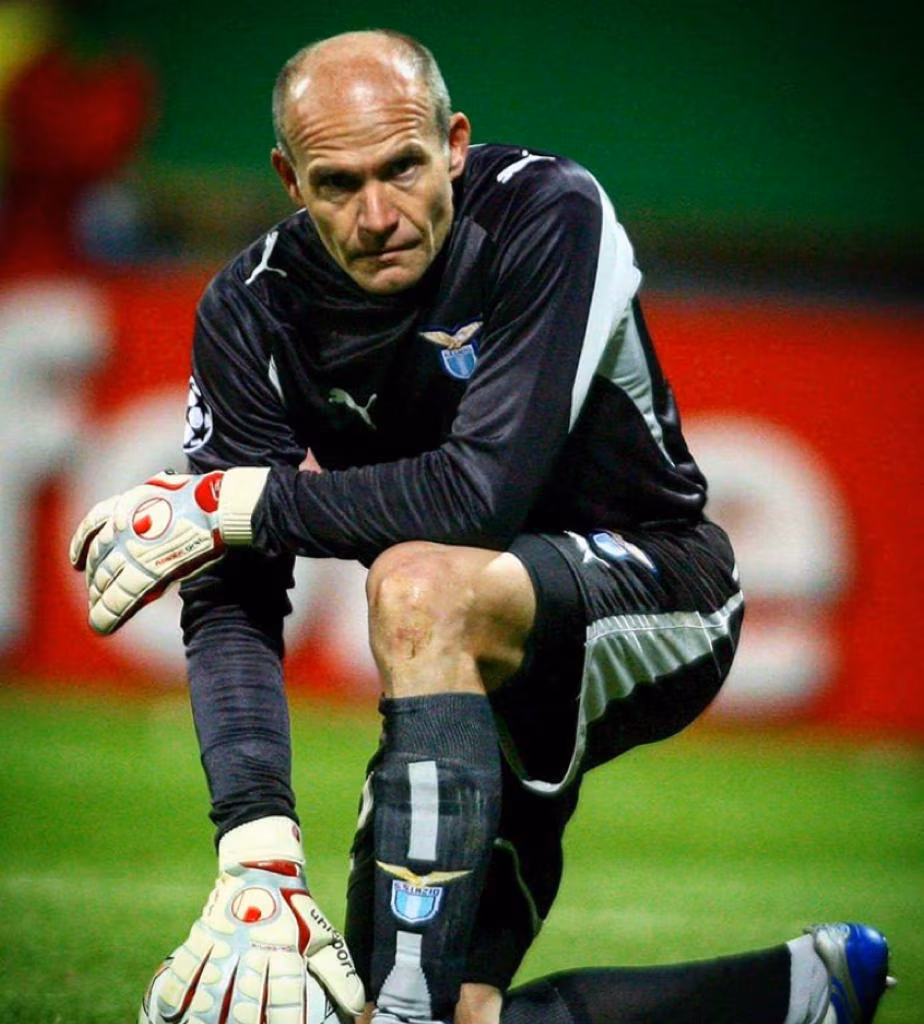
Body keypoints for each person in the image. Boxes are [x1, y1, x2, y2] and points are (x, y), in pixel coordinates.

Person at [69, 30, 894, 1024]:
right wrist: (257, 850)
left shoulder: (547, 211)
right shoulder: (251, 311)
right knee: (427, 1005)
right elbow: (230, 589)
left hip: (659, 589)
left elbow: (479, 497)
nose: (379, 215)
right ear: (290, 181)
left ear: (455, 145)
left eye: (403, 168)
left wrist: (235, 504)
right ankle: (793, 993)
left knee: (419, 583)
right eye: (338, 185)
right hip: (466, 672)